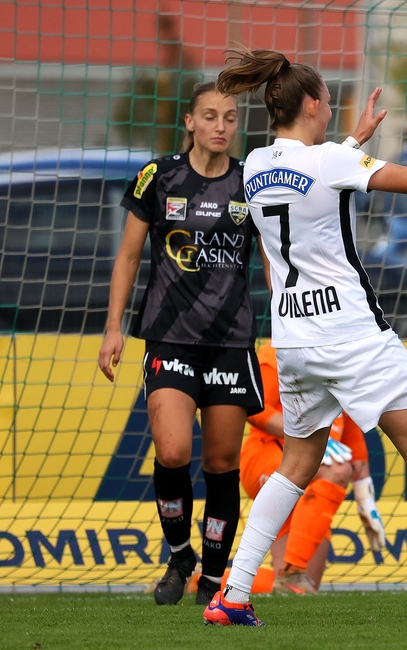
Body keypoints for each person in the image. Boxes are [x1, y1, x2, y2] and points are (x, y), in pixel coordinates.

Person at [204, 47, 407, 628]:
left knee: (296, 463)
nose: (333, 109)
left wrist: (354, 141)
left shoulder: (253, 164)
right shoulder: (330, 161)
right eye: (329, 101)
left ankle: (233, 594)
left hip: (294, 339)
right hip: (351, 333)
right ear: (312, 105)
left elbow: (307, 182)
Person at [97, 82, 264, 607]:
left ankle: (213, 578)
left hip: (231, 342)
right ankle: (180, 555)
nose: (221, 125)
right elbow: (127, 257)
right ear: (189, 122)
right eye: (210, 116)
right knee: (171, 451)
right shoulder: (158, 176)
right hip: (169, 336)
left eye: (230, 118)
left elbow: (275, 257)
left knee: (220, 464)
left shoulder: (249, 183)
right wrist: (112, 326)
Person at [242, 341, 386, 595]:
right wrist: (305, 437)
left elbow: (352, 437)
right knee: (336, 471)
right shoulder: (277, 351)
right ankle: (293, 571)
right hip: (267, 454)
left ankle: (206, 582)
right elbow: (257, 408)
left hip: (313, 477)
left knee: (300, 591)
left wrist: (366, 499)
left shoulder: (341, 359)